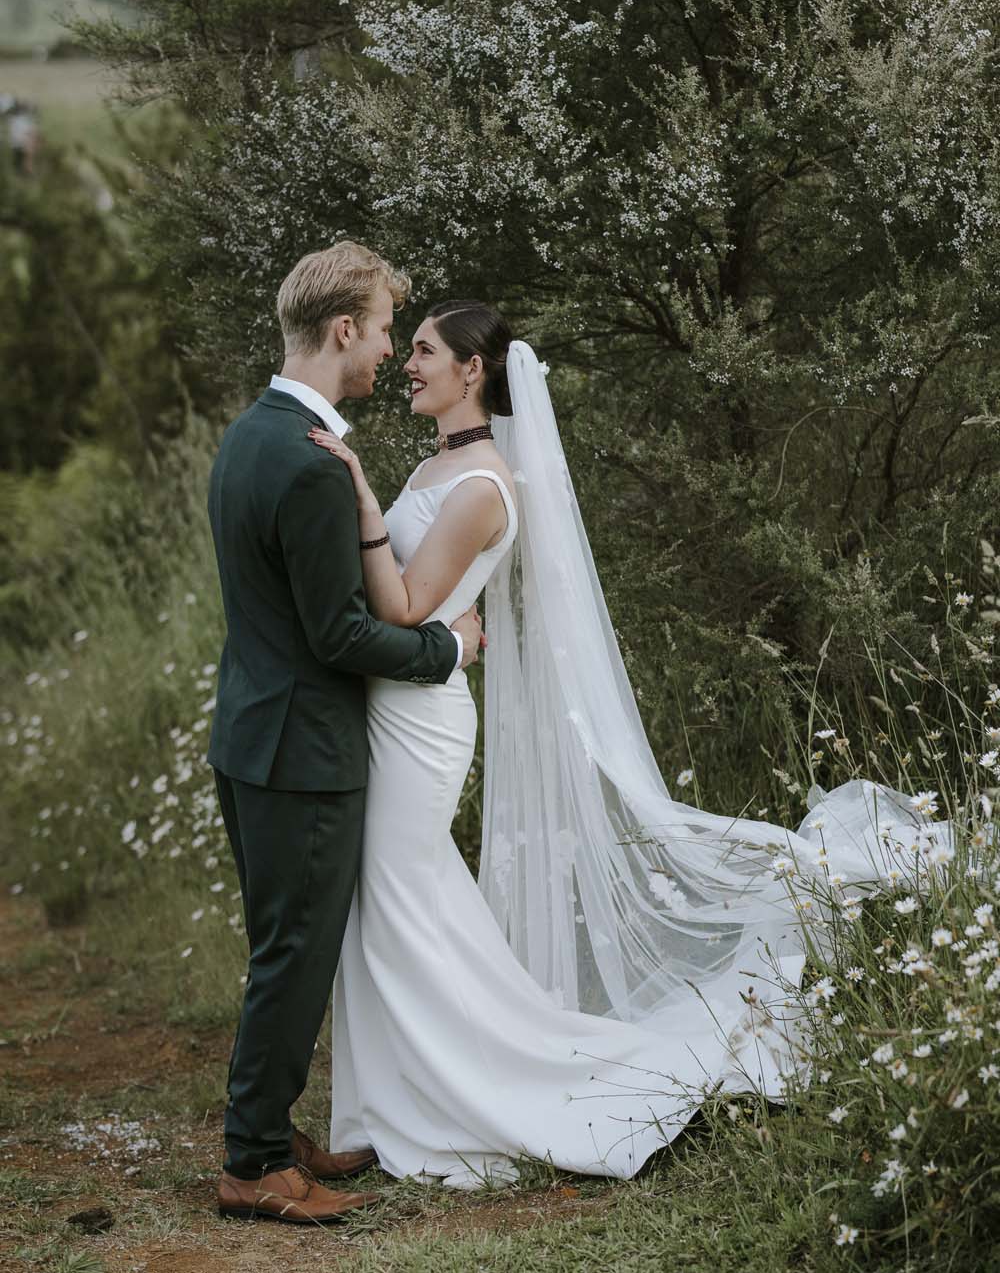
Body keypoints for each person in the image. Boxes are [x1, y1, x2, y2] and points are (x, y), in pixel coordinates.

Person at [307, 300, 955, 1187]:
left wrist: (360, 496)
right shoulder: (434, 465)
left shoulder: (484, 486)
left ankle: (496, 1082)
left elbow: (407, 607)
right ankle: (384, 1107)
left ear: (472, 372)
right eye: (408, 346)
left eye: (424, 350)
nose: (408, 362)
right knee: (383, 906)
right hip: (390, 707)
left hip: (420, 719)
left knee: (400, 899)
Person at [207, 244, 485, 1224]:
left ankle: (272, 1132)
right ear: (339, 332)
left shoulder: (250, 436)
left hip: (245, 738)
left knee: (277, 944)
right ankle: (251, 1161)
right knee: (295, 951)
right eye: (377, 332)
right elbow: (340, 634)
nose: (383, 354)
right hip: (303, 753)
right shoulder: (310, 466)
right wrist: (447, 650)